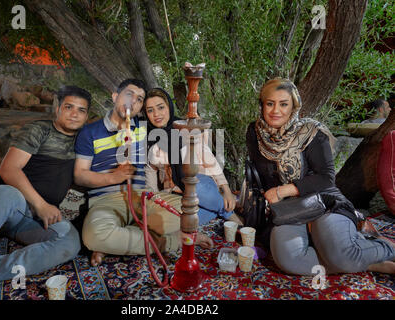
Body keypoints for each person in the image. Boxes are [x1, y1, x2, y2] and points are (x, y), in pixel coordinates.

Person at [0, 85, 91, 299]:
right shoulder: (39, 130)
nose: (74, 114)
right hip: (13, 208)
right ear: (58, 107)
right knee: (6, 192)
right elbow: (8, 168)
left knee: (70, 242)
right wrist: (41, 205)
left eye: (81, 110)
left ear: (87, 116)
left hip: (33, 223)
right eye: (69, 107)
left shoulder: (84, 141)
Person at [245, 78, 395, 275]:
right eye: (270, 103)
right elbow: (259, 176)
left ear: (294, 106)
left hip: (323, 202)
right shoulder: (256, 133)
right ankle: (365, 263)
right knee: (289, 260)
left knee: (342, 256)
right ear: (262, 105)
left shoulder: (312, 133)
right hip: (287, 209)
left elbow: (326, 178)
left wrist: (284, 190)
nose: (276, 111)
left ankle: (385, 248)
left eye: (283, 104)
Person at [74, 79, 213, 267]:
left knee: (189, 211)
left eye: (139, 99)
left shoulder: (143, 126)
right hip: (105, 201)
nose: (134, 102)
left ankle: (118, 240)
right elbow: (80, 174)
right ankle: (173, 241)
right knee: (93, 235)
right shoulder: (90, 132)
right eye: (129, 95)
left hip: (144, 198)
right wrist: (113, 177)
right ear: (115, 97)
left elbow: (168, 121)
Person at [143, 87, 241, 226]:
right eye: (150, 110)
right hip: (176, 194)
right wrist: (154, 200)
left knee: (194, 187)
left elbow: (210, 161)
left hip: (200, 183)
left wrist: (226, 190)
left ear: (169, 107)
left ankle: (230, 215)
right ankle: (216, 210)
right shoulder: (151, 141)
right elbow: (150, 171)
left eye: (160, 107)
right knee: (173, 222)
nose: (156, 114)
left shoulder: (186, 130)